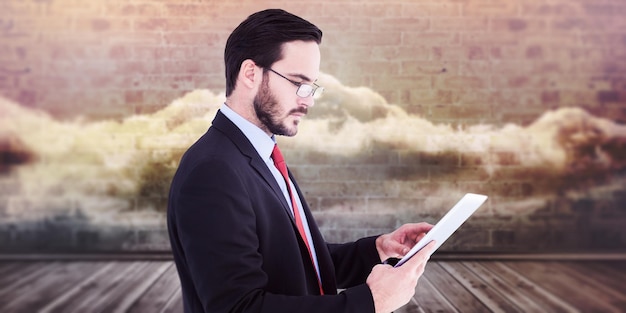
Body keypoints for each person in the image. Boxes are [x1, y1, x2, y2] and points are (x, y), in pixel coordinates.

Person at [167, 8, 436, 313]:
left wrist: (376, 250)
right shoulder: (213, 171)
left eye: (312, 87)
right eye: (298, 83)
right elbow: (239, 307)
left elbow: (293, 261)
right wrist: (370, 303)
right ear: (251, 74)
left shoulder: (258, 154)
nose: (307, 100)